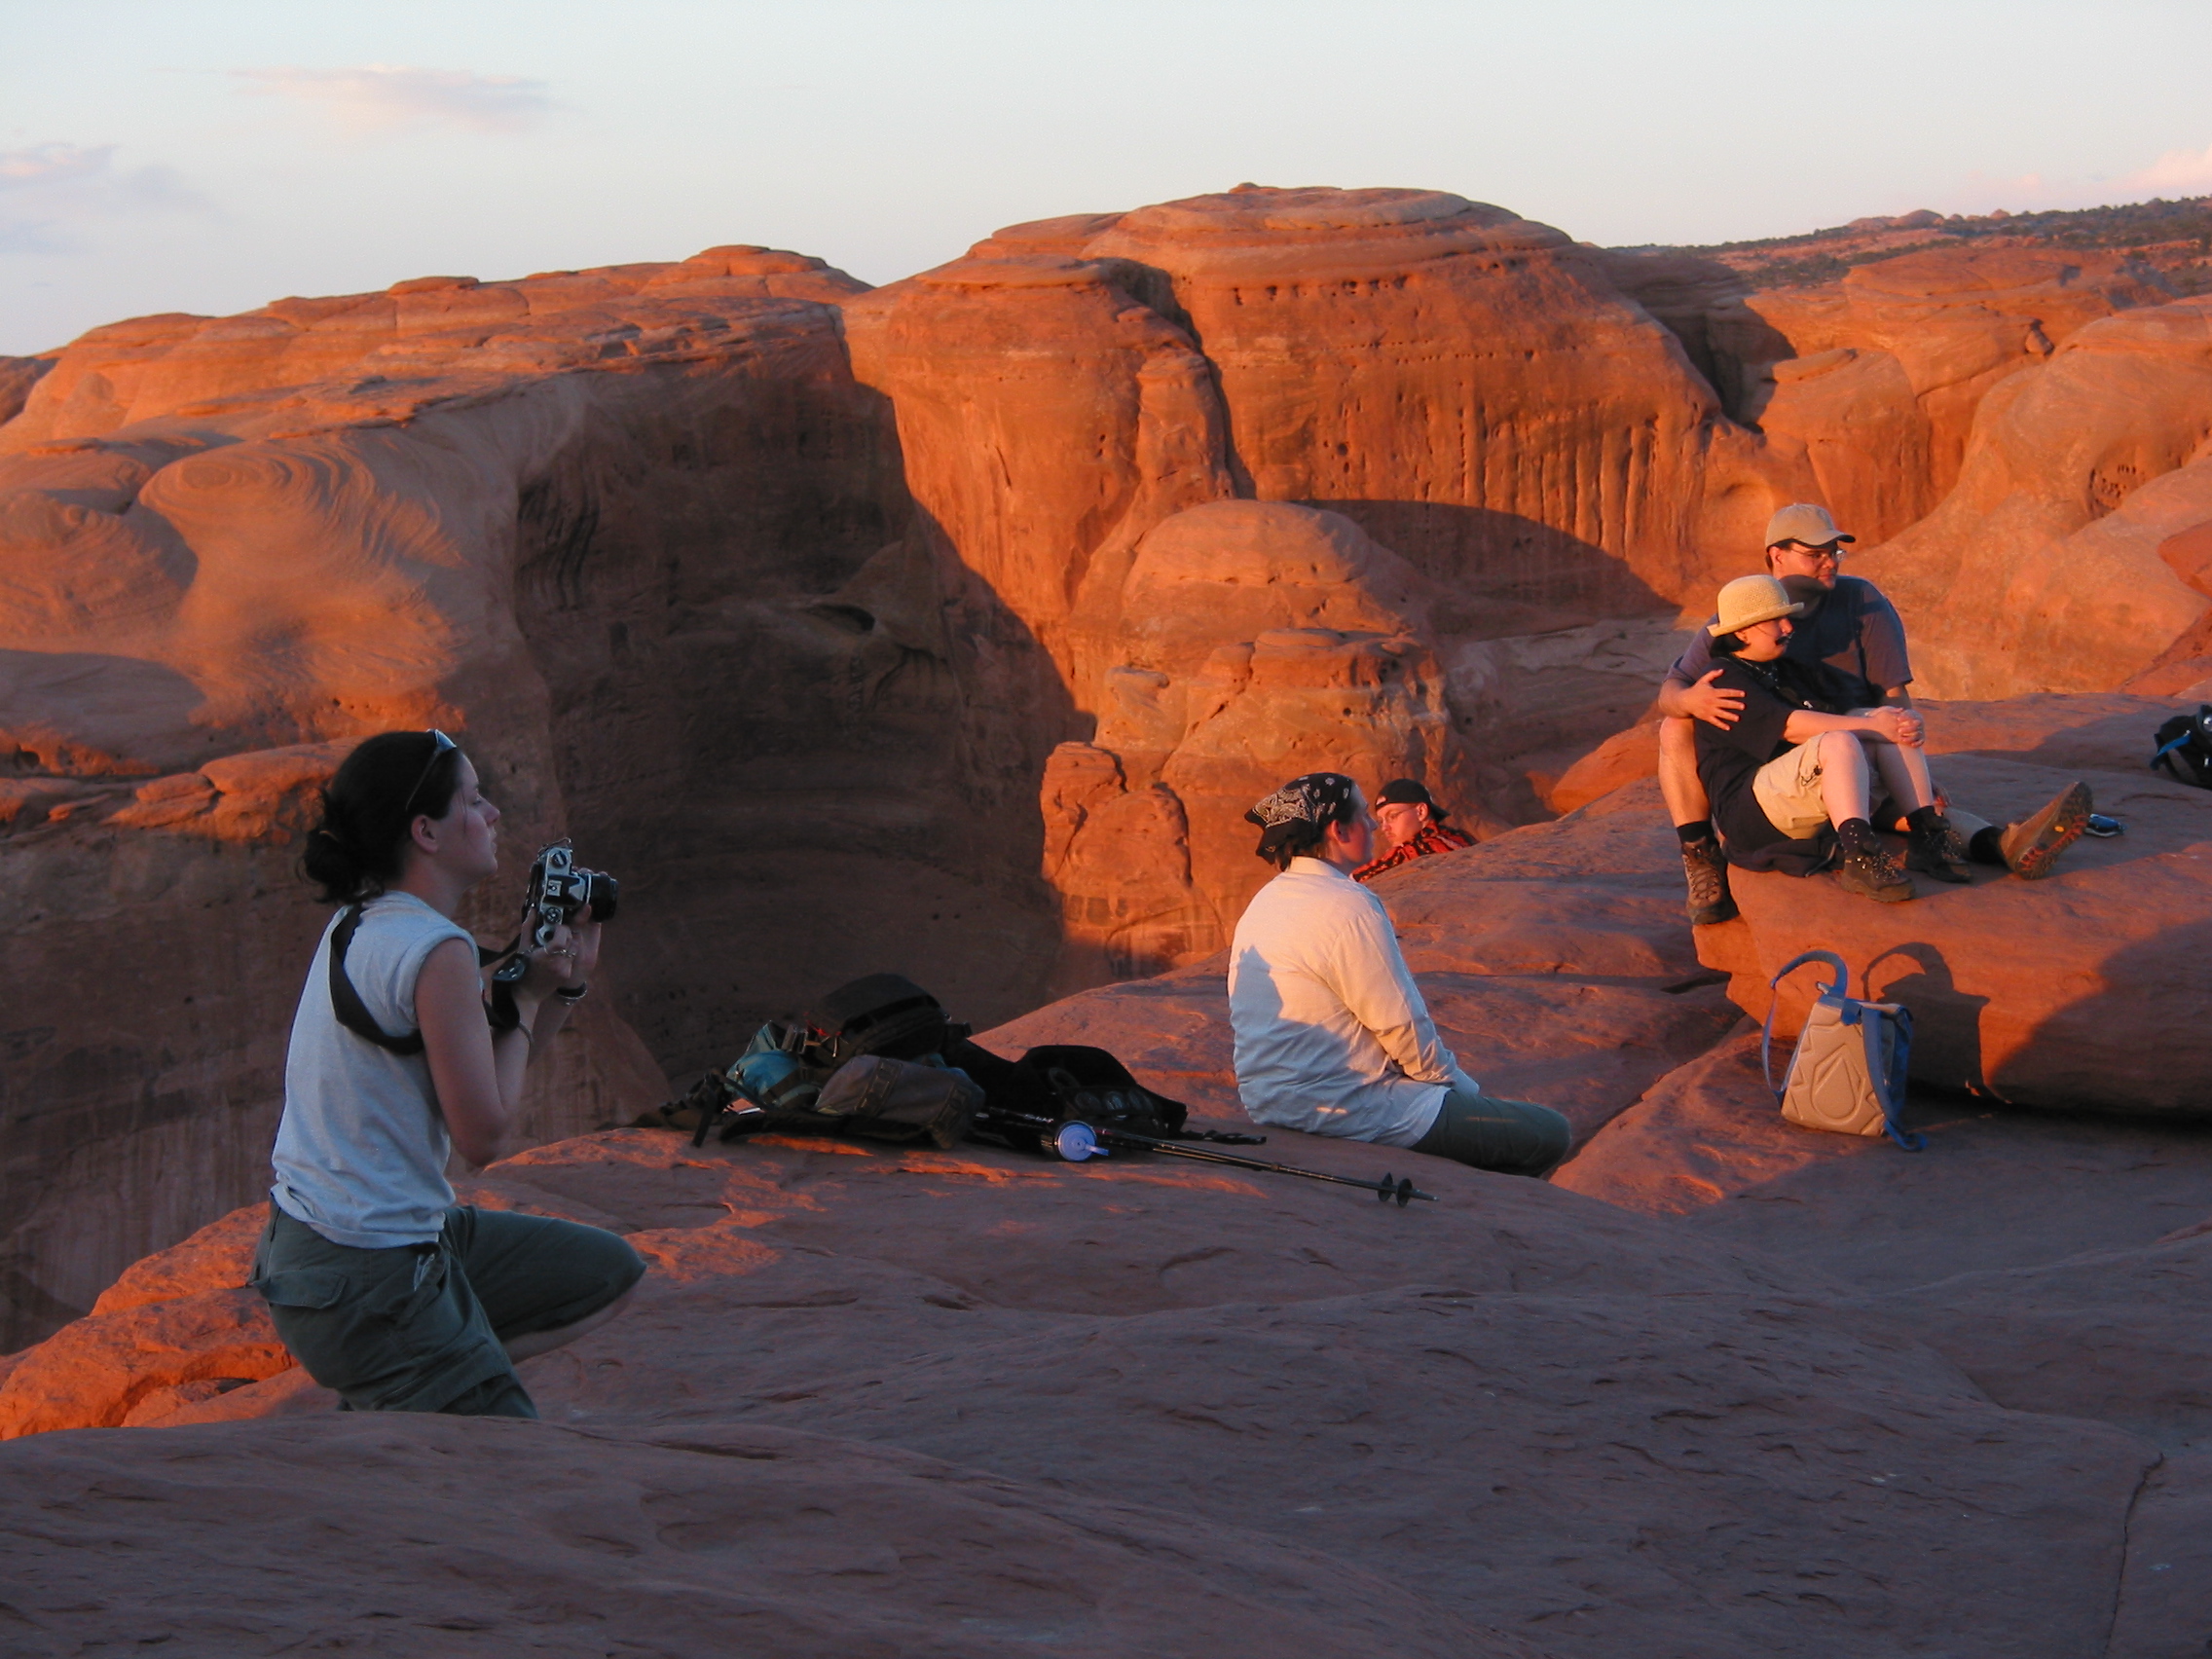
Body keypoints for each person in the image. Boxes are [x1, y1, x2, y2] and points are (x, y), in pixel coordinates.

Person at [250, 729, 645, 1418]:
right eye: (474, 799)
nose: (493, 813)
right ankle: (416, 1380)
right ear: (426, 831)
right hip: (368, 1271)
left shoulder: (363, 920)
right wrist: (521, 997)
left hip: (326, 1250)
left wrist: (559, 988)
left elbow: (485, 1078)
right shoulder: (436, 951)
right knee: (500, 1453)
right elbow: (483, 1138)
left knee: (607, 1273)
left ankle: (423, 1374)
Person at [1227, 772, 1571, 1176]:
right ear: (1338, 829)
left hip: (1271, 1104)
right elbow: (1400, 1023)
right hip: (1350, 1109)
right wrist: (1459, 1089)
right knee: (1549, 1132)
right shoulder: (1346, 904)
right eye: (1363, 814)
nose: (1374, 824)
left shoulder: (1265, 901)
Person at [1691, 576, 2091, 901]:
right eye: (1775, 620)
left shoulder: (1786, 668)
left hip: (1807, 792)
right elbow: (1791, 726)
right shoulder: (1724, 679)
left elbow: (1838, 716)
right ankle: (1861, 858)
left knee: (1887, 719)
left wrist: (1885, 723)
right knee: (1842, 739)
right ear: (1742, 631)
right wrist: (1867, 728)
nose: (1788, 627)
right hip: (1754, 813)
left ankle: (1929, 835)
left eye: (1787, 617)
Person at [1659, 503, 1917, 924]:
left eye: (1835, 551)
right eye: (1816, 553)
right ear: (1777, 555)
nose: (1830, 561)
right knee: (1674, 727)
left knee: (1922, 807)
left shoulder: (1862, 601)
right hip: (1783, 763)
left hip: (1849, 741)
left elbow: (1894, 695)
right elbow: (1670, 693)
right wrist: (1689, 701)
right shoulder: (1741, 615)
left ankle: (1995, 844)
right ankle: (1701, 855)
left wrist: (1908, 761)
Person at [1351, 778, 1473, 883]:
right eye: (1382, 821)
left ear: (1421, 812)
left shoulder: (1418, 849)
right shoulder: (1459, 837)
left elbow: (1356, 879)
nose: (1385, 828)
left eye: (1392, 816)